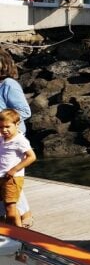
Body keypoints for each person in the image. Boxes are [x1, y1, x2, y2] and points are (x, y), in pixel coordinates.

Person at [0, 49, 33, 227]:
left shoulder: (9, 84)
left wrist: (4, 121)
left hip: (11, 142)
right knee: (5, 179)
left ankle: (22, 218)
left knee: (9, 179)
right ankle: (24, 215)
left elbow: (24, 111)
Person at [0, 109, 36, 227]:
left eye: (7, 127)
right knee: (8, 205)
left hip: (12, 178)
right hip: (3, 176)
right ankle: (19, 230)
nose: (4, 130)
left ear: (17, 124)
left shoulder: (20, 140)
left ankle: (12, 233)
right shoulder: (3, 138)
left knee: (10, 207)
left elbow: (31, 157)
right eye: (1, 127)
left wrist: (14, 169)